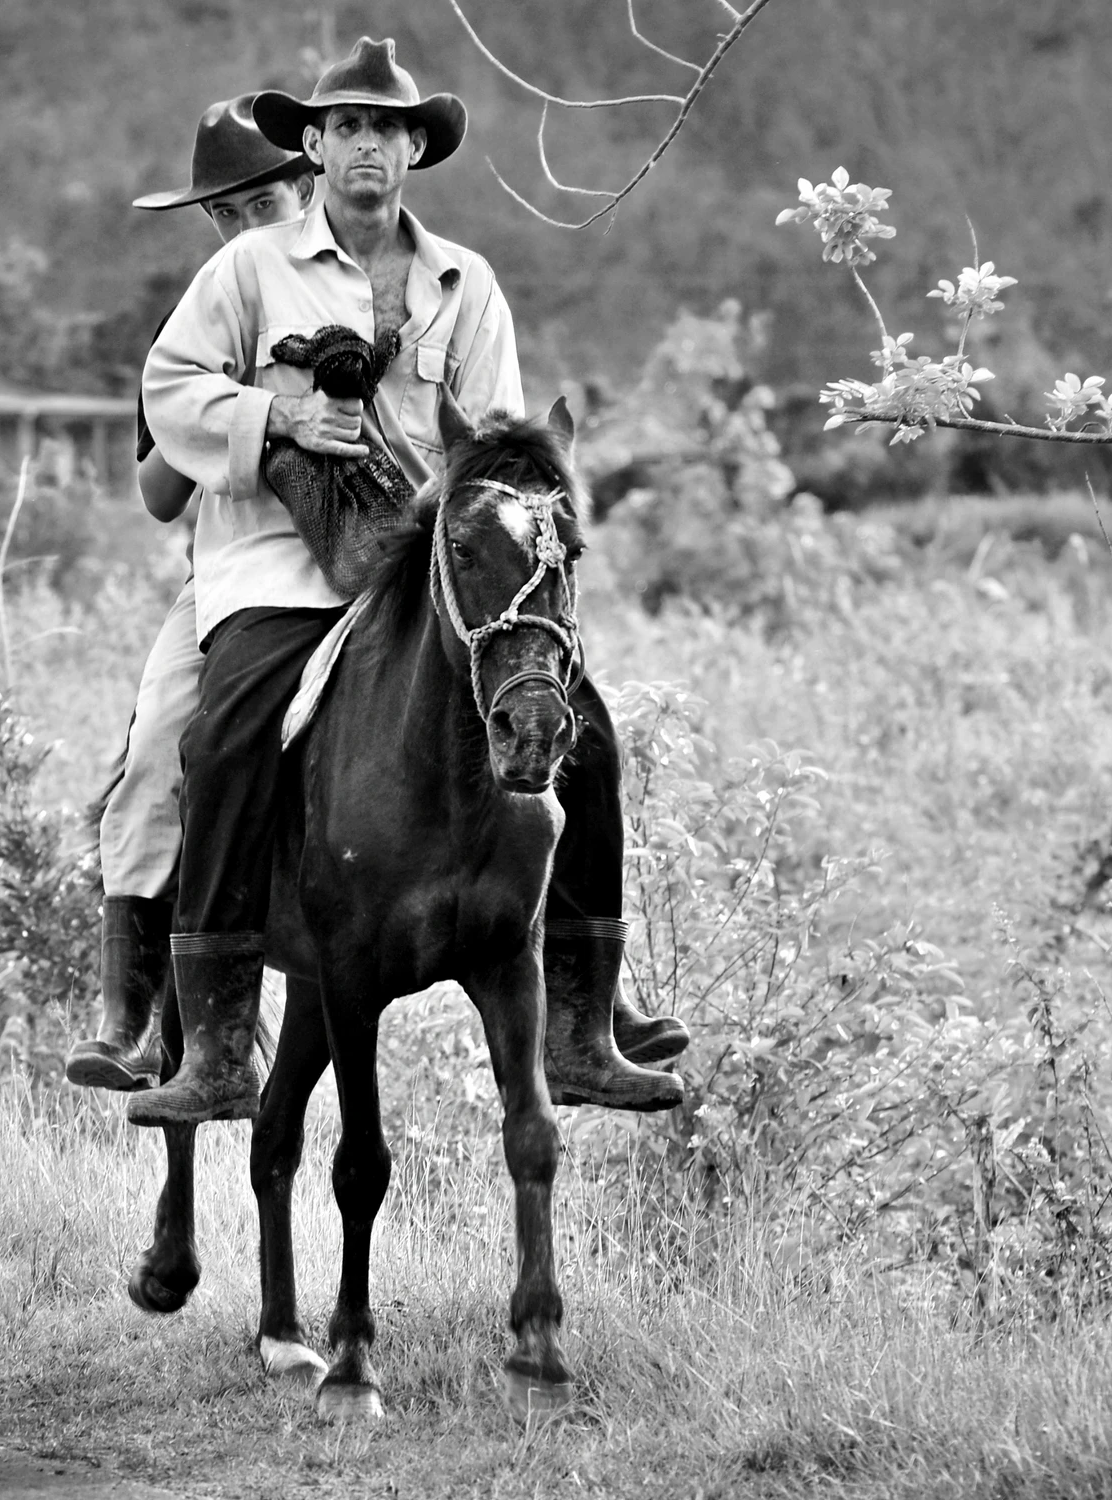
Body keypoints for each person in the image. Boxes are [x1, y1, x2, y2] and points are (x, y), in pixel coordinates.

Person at [126, 36, 685, 1127]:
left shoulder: (464, 284)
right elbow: (168, 389)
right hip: (278, 569)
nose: (366, 146)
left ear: (414, 147)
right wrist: (280, 415)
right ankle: (222, 1040)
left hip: (430, 568)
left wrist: (477, 523)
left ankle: (581, 1025)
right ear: (315, 147)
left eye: (386, 128)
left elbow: (497, 449)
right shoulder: (245, 271)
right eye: (344, 128)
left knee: (589, 731)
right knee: (226, 734)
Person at [64, 95, 316, 1093]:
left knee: (536, 703)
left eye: (257, 204)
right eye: (221, 214)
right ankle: (132, 1021)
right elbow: (158, 494)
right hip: (235, 573)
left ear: (308, 190)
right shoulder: (195, 322)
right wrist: (222, 406)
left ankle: (582, 993)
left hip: (368, 560)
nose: (239, 229)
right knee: (148, 764)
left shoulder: (383, 291)